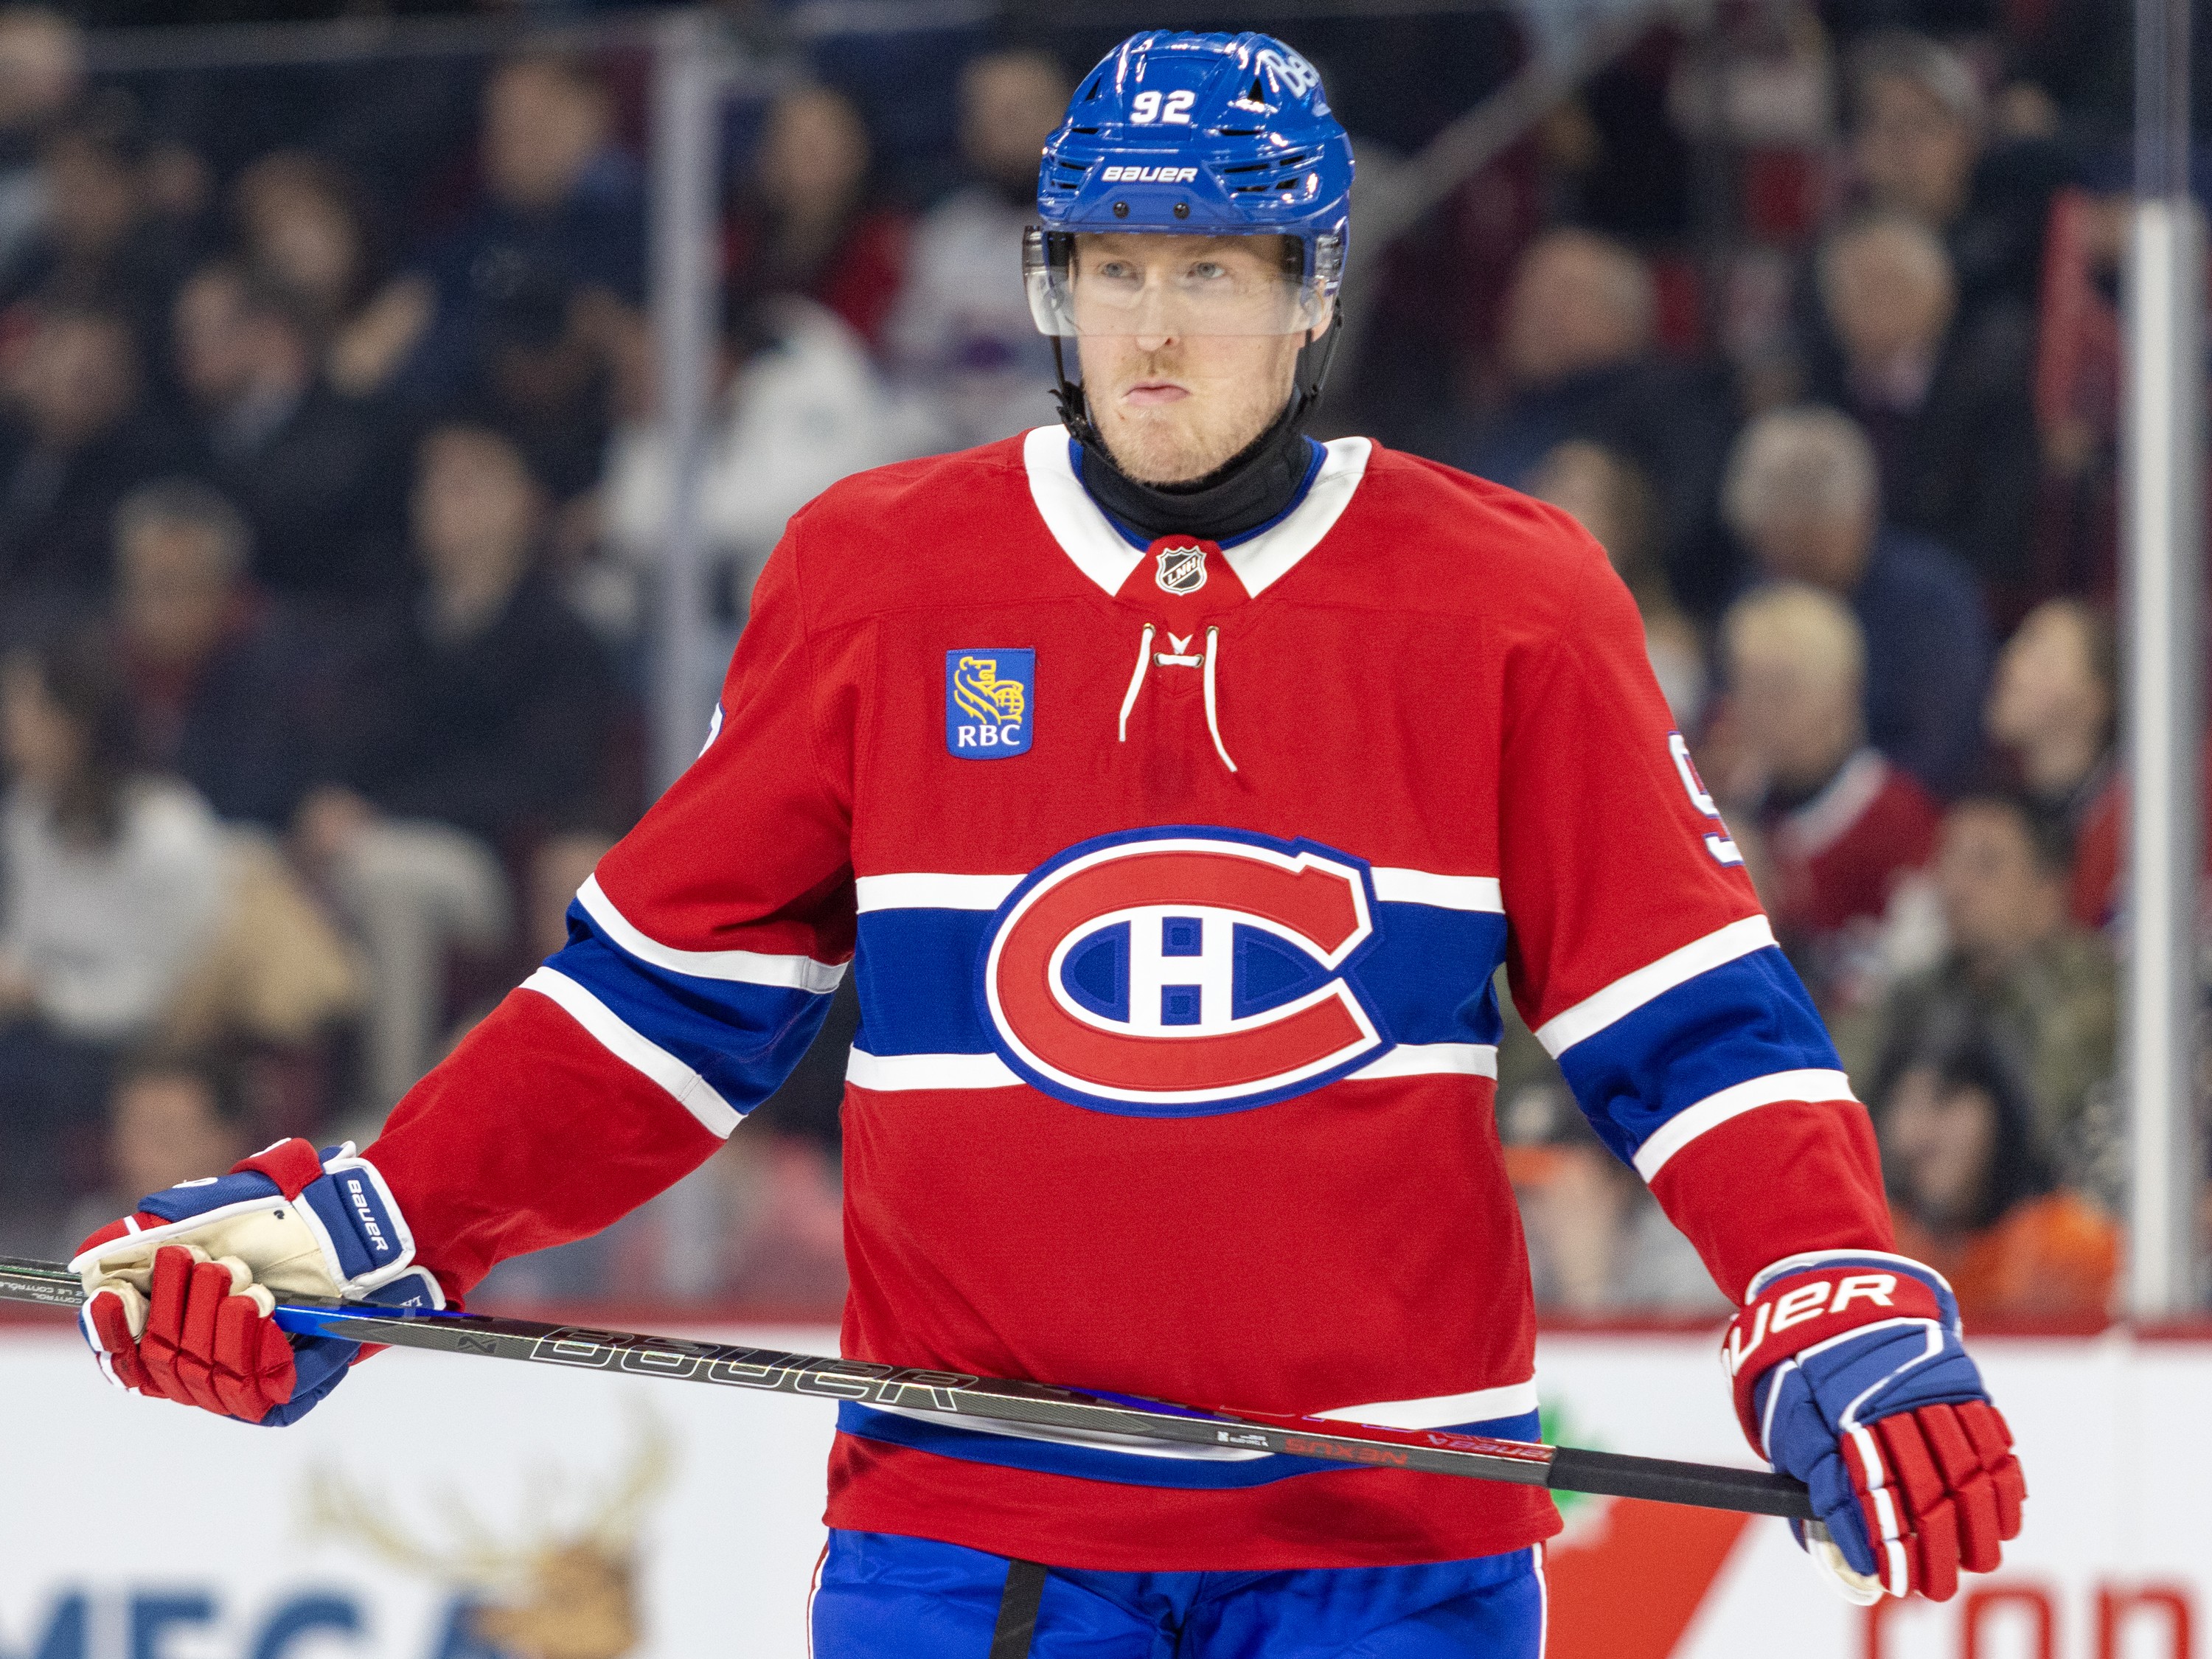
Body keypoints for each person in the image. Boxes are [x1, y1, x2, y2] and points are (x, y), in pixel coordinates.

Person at [72, 32, 2024, 1650]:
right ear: (1055, 288)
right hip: (974, 1532)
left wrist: (1832, 1286)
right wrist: (376, 1227)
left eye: (1211, 273)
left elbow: (1689, 1021)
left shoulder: (1510, 598)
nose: (1153, 331)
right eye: (1112, 270)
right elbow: (653, 1018)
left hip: (1387, 1541)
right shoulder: (882, 574)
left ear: (1311, 294)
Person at [299, 420, 623, 1106]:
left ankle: (395, 1108)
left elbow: (543, 776)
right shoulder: (396, 624)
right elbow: (350, 740)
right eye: (436, 485)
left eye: (471, 481)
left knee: (392, 874)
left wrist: (383, 812)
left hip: (496, 860)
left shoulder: (559, 634)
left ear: (525, 504)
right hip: (378, 835)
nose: (447, 500)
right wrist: (329, 799)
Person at [0, 633, 226, 1196]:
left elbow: (172, 987)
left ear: (74, 723)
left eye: (25, 710)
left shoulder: (167, 829)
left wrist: (44, 992)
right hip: (45, 1031)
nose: (12, 729)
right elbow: (27, 940)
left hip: (151, 1040)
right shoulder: (28, 814)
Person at [1848, 791, 2118, 1207]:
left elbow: (2048, 1127)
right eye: (1948, 863)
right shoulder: (1919, 991)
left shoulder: (2095, 989)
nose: (1955, 887)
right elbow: (1844, 1101)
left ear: (2049, 891)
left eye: (1985, 866)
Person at [1448, 229, 1739, 614]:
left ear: (1624, 316)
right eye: (1527, 292)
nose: (1532, 312)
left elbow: (1682, 534)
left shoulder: (1669, 404)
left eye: (1561, 297)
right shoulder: (1499, 413)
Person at [1723, 404, 1992, 795]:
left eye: (1808, 541)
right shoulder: (1761, 589)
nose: (1791, 563)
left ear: (1859, 516)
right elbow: (1725, 710)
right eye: (1774, 545)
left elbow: (1944, 749)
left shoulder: (1930, 601)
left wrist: (1831, 780)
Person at [1719, 582, 1939, 1007]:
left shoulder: (1897, 819)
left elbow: (1912, 978)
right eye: (1747, 684)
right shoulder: (1722, 803)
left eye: (1780, 688)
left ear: (1839, 693)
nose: (1756, 707)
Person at [1808, 213, 2039, 598]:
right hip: (1822, 587)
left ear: (1938, 297)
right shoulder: (1818, 389)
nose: (1869, 304)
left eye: (1888, 286)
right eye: (1852, 287)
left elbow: (2003, 531)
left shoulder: (1992, 394)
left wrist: (1879, 564)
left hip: (1940, 592)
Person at [170, 262, 406, 605]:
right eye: (185, 333)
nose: (189, 351)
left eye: (208, 330)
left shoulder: (358, 434)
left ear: (274, 333)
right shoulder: (191, 442)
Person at [883, 48, 1070, 447]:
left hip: (1077, 462)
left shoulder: (1114, 233)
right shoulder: (945, 236)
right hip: (964, 463)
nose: (1006, 129)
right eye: (989, 115)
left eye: (1021, 110)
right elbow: (913, 376)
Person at [1872, 1020, 2118, 1323]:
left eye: (1944, 1101)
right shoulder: (1877, 1250)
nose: (1920, 1132)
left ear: (2000, 1111)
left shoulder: (2074, 1247)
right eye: (1906, 1104)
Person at [109, 477, 319, 831]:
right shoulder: (100, 664)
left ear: (224, 590)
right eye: (139, 584)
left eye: (170, 587)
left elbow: (255, 802)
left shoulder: (279, 672)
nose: (152, 607)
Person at [0, 302, 187, 637]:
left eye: (92, 377)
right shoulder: (15, 443)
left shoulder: (142, 470)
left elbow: (72, 584)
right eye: (63, 361)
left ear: (127, 387)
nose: (75, 386)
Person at [724, 84, 910, 352]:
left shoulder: (883, 242)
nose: (805, 156)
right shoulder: (737, 236)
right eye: (792, 141)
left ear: (855, 152)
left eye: (820, 142)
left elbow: (854, 343)